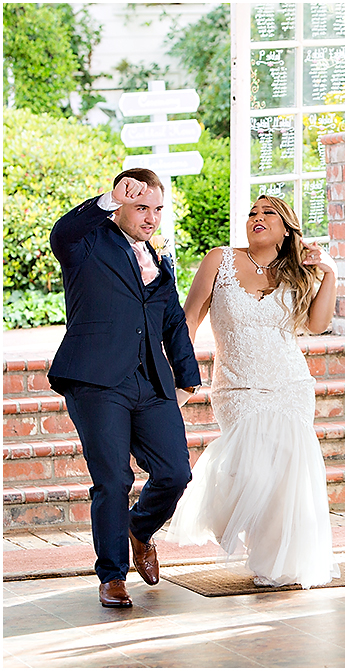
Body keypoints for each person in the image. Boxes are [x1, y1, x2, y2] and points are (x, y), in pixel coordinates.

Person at [166, 195, 340, 588]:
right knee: (253, 471)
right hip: (237, 385)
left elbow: (317, 324)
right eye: (252, 213)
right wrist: (178, 372)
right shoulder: (219, 259)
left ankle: (273, 563)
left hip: (290, 384)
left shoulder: (297, 270)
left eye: (268, 214)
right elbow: (190, 318)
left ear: (285, 227)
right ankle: (231, 524)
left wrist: (328, 272)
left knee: (285, 478)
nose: (257, 218)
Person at [49, 169, 201, 608]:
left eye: (157, 209)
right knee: (113, 479)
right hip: (96, 378)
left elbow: (172, 320)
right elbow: (63, 233)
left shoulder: (159, 257)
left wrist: (187, 377)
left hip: (149, 380)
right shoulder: (89, 243)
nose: (151, 218)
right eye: (141, 207)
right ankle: (112, 576)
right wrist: (106, 200)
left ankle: (139, 529)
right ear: (120, 206)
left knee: (176, 472)